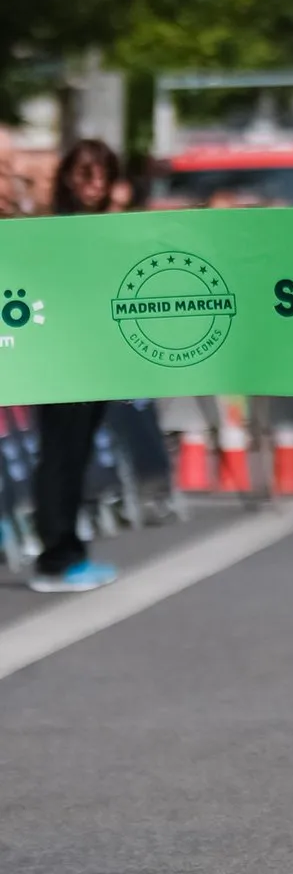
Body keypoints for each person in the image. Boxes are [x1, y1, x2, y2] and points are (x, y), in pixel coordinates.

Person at [28, 140, 122, 594]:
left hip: (95, 362)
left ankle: (70, 550)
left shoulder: (108, 229)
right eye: (86, 173)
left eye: (104, 173)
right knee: (61, 458)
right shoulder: (56, 231)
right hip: (61, 361)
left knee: (75, 457)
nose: (95, 183)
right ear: (68, 177)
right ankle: (56, 557)